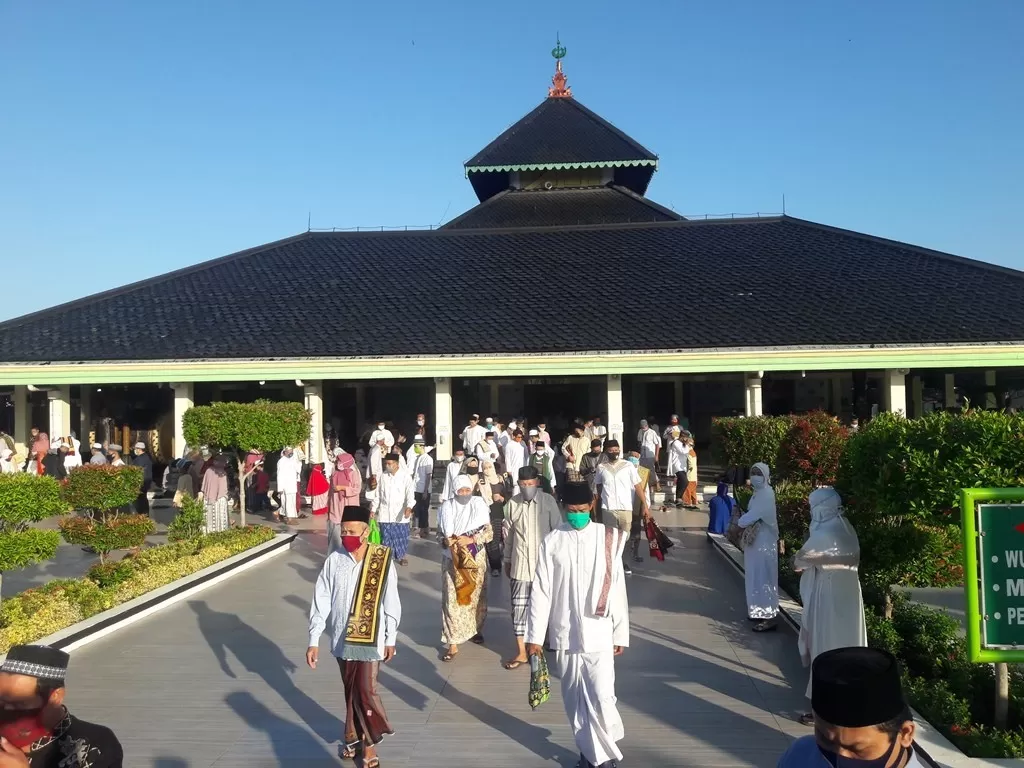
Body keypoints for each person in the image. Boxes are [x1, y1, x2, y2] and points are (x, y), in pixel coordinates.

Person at [526, 482, 629, 768]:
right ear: (564, 509)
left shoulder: (607, 538)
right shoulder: (553, 541)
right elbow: (542, 591)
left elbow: (618, 587)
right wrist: (534, 636)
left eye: (582, 510)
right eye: (571, 511)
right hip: (565, 633)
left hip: (600, 631)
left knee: (602, 697)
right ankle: (589, 756)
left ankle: (603, 759)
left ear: (592, 506)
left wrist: (620, 631)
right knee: (574, 700)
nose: (577, 516)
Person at [307, 505, 401, 766]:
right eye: (343, 531)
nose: (347, 535)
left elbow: (391, 601)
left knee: (365, 690)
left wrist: (390, 636)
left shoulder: (381, 559)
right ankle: (353, 738)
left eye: (352, 531)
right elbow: (321, 599)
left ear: (365, 531)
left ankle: (370, 744)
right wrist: (314, 638)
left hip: (371, 641)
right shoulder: (334, 560)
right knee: (351, 691)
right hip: (340, 639)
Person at [794, 487, 868, 725]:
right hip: (850, 597)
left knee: (825, 648)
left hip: (827, 597)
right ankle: (852, 705)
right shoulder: (847, 528)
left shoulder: (824, 533)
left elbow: (799, 561)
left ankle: (824, 711)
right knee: (850, 646)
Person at [776, 647, 922, 768]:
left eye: (857, 749)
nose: (839, 762)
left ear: (905, 733)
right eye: (826, 740)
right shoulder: (800, 755)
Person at [0, 644, 123, 767]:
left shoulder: (97, 743)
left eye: (20, 704)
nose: (8, 710)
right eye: (2, 702)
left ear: (56, 696)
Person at [501, 466, 562, 670]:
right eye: (523, 484)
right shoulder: (512, 504)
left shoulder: (548, 502)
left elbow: (558, 533)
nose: (527, 487)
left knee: (545, 607)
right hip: (520, 566)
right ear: (518, 484)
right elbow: (508, 536)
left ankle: (541, 643)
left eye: (530, 484)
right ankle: (521, 651)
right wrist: (507, 560)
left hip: (545, 567)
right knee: (518, 609)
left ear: (537, 482)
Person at [436, 475, 493, 662]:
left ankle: (475, 629)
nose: (464, 494)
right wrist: (448, 541)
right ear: (454, 491)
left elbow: (489, 533)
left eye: (467, 490)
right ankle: (452, 642)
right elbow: (440, 535)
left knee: (475, 596)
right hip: (452, 560)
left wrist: (471, 540)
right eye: (460, 491)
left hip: (475, 558)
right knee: (452, 600)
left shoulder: (478, 505)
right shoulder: (447, 508)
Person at [594, 441, 649, 575]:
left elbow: (638, 486)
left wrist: (645, 505)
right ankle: (614, 564)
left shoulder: (628, 466)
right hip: (608, 508)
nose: (614, 452)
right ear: (606, 451)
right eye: (611, 450)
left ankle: (622, 560)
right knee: (610, 538)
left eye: (616, 450)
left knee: (625, 536)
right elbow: (598, 487)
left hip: (626, 508)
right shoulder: (601, 467)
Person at [737, 462, 780, 631]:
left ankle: (769, 617)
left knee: (765, 578)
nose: (755, 476)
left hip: (764, 543)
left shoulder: (767, 494)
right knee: (755, 575)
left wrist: (738, 524)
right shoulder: (758, 493)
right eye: (753, 472)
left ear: (766, 476)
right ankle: (756, 611)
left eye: (758, 473)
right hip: (755, 543)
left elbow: (753, 515)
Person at [372, 453, 415, 566]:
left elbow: (410, 494)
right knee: (386, 537)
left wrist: (409, 507)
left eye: (390, 463)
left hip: (400, 513)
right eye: (386, 463)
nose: (387, 465)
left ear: (396, 464)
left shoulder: (405, 476)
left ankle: (401, 556)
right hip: (385, 512)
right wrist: (373, 509)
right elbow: (378, 495)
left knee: (400, 536)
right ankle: (387, 556)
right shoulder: (383, 476)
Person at [327, 451, 361, 552]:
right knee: (335, 536)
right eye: (338, 461)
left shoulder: (353, 473)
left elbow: (357, 489)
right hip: (336, 507)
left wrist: (343, 488)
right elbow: (331, 491)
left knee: (350, 533)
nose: (338, 463)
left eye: (340, 461)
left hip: (349, 506)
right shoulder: (335, 473)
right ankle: (332, 558)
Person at [409, 435, 434, 539]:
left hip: (424, 488)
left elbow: (428, 476)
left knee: (423, 510)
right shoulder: (418, 458)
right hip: (416, 488)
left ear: (422, 446)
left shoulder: (427, 459)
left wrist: (425, 491)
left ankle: (423, 529)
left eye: (416, 446)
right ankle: (418, 528)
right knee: (417, 509)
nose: (415, 448)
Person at [200, 455, 230, 533]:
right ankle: (220, 532)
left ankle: (208, 532)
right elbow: (223, 489)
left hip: (208, 498)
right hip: (220, 500)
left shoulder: (208, 470)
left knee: (209, 517)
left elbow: (204, 485)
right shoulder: (222, 473)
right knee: (219, 517)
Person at [276, 446, 302, 523]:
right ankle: (290, 519)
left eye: (292, 451)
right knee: (287, 502)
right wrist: (280, 487)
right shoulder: (281, 461)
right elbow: (279, 475)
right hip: (285, 486)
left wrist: (298, 462)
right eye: (289, 451)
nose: (291, 453)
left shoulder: (293, 460)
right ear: (285, 452)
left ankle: (280, 513)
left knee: (291, 502)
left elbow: (298, 470)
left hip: (292, 485)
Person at [665, 428, 688, 509]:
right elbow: (683, 451)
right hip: (677, 465)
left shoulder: (683, 443)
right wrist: (688, 445)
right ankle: (679, 497)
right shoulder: (676, 443)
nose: (686, 439)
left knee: (680, 482)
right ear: (682, 436)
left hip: (683, 466)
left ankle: (678, 499)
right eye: (686, 437)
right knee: (685, 481)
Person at [131, 442, 153, 516]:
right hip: (146, 483)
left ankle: (142, 515)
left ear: (139, 449)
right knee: (144, 499)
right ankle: (145, 514)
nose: (135, 450)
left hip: (141, 483)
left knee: (140, 501)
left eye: (136, 449)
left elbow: (137, 471)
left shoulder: (140, 459)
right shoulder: (147, 457)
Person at [682, 437, 699, 509]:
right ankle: (695, 501)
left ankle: (687, 502)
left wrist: (687, 471)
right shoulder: (693, 452)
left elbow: (691, 465)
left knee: (687, 490)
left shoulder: (689, 452)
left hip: (690, 475)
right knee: (693, 490)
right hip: (694, 475)